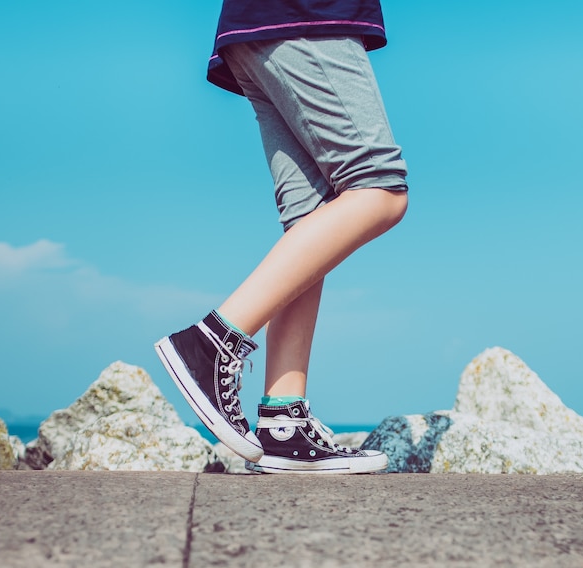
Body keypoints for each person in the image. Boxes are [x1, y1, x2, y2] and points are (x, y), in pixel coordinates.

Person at [154, 0, 407, 474]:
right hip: (308, 16)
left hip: (257, 27)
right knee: (379, 187)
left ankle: (283, 421)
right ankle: (210, 343)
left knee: (312, 220)